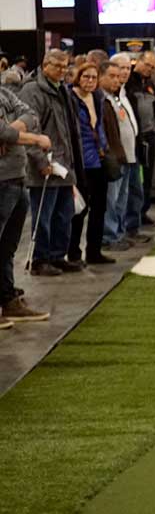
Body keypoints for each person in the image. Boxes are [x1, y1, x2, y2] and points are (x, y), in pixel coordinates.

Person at [20, 49, 85, 276]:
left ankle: (58, 255)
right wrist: (39, 161)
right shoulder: (32, 90)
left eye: (65, 66)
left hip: (64, 164)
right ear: (45, 65)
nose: (62, 71)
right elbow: (28, 130)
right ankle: (40, 259)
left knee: (64, 214)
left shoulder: (63, 89)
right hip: (45, 165)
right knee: (43, 215)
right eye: (57, 66)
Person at [0, 85, 52, 325]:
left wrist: (9, 133)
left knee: (8, 247)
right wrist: (35, 138)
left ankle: (8, 301)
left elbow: (32, 114)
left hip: (17, 177)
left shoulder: (4, 91)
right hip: (2, 179)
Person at [67, 62, 116, 266]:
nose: (90, 81)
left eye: (94, 77)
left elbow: (100, 128)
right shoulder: (70, 98)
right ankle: (73, 252)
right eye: (86, 77)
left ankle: (94, 251)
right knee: (80, 209)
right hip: (80, 161)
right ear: (78, 77)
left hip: (99, 158)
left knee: (100, 207)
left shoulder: (97, 97)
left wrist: (104, 148)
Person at [99, 59, 139, 251]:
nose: (117, 80)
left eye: (119, 76)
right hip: (113, 157)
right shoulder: (101, 100)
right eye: (112, 76)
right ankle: (109, 236)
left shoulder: (117, 97)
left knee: (121, 199)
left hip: (126, 156)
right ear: (101, 77)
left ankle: (119, 233)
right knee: (111, 200)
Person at [127, 51, 155, 228]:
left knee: (148, 176)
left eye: (153, 67)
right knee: (135, 179)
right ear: (138, 61)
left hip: (150, 134)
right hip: (136, 137)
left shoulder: (150, 83)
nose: (149, 69)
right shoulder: (129, 82)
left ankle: (143, 211)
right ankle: (134, 214)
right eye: (147, 65)